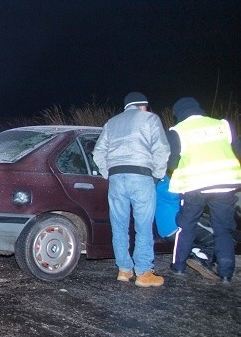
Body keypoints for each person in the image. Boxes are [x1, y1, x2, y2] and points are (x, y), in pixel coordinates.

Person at [92, 91, 170, 287]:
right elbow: (162, 148)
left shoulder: (111, 123)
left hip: (117, 178)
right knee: (143, 226)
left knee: (119, 225)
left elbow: (98, 151)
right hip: (141, 176)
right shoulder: (150, 119)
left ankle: (124, 270)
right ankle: (143, 273)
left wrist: (107, 172)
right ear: (142, 105)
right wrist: (157, 174)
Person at [167, 97, 241, 283]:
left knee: (186, 225)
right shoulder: (223, 125)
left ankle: (179, 267)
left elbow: (172, 162)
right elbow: (237, 150)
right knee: (222, 229)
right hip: (226, 183)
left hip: (195, 185)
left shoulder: (178, 131)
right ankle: (225, 273)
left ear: (179, 114)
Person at [155, 174, 217, 280]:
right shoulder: (167, 182)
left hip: (164, 231)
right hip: (177, 224)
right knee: (219, 235)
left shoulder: (154, 183)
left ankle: (193, 252)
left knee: (197, 234)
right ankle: (201, 256)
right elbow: (176, 195)